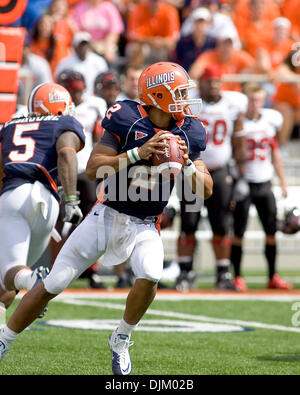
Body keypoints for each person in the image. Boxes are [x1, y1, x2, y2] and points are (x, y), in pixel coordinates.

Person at [0, 61, 213, 375]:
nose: (184, 98)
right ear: (158, 95)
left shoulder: (188, 131)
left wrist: (188, 166)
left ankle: (121, 338)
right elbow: (93, 168)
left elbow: (205, 189)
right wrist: (138, 153)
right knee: (54, 282)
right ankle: (4, 340)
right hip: (106, 214)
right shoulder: (127, 118)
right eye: (178, 92)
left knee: (151, 274)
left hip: (145, 222)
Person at [0, 82, 85, 327]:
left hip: (15, 196)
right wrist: (71, 200)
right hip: (48, 203)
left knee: (13, 273)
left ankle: (36, 284)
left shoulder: (9, 126)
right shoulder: (63, 123)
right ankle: (35, 287)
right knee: (13, 276)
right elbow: (67, 153)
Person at [175, 65, 248, 290]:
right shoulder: (190, 103)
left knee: (221, 225)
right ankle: (185, 272)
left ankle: (222, 272)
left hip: (219, 171)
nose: (214, 86)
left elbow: (238, 141)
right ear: (202, 83)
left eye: (217, 81)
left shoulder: (233, 104)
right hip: (191, 169)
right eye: (209, 81)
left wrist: (241, 176)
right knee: (188, 224)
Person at [230, 83, 292, 291]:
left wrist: (282, 180)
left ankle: (272, 275)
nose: (255, 104)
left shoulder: (269, 121)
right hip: (244, 181)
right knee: (238, 232)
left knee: (271, 231)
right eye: (251, 99)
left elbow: (274, 152)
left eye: (259, 100)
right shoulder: (239, 123)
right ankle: (237, 275)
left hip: (264, 181)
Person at [50, 70, 107, 288]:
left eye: (79, 90)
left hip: (86, 170)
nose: (77, 95)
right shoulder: (55, 105)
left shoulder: (95, 105)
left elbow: (100, 136)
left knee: (93, 220)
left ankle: (91, 270)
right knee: (57, 221)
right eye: (72, 90)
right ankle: (55, 268)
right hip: (61, 171)